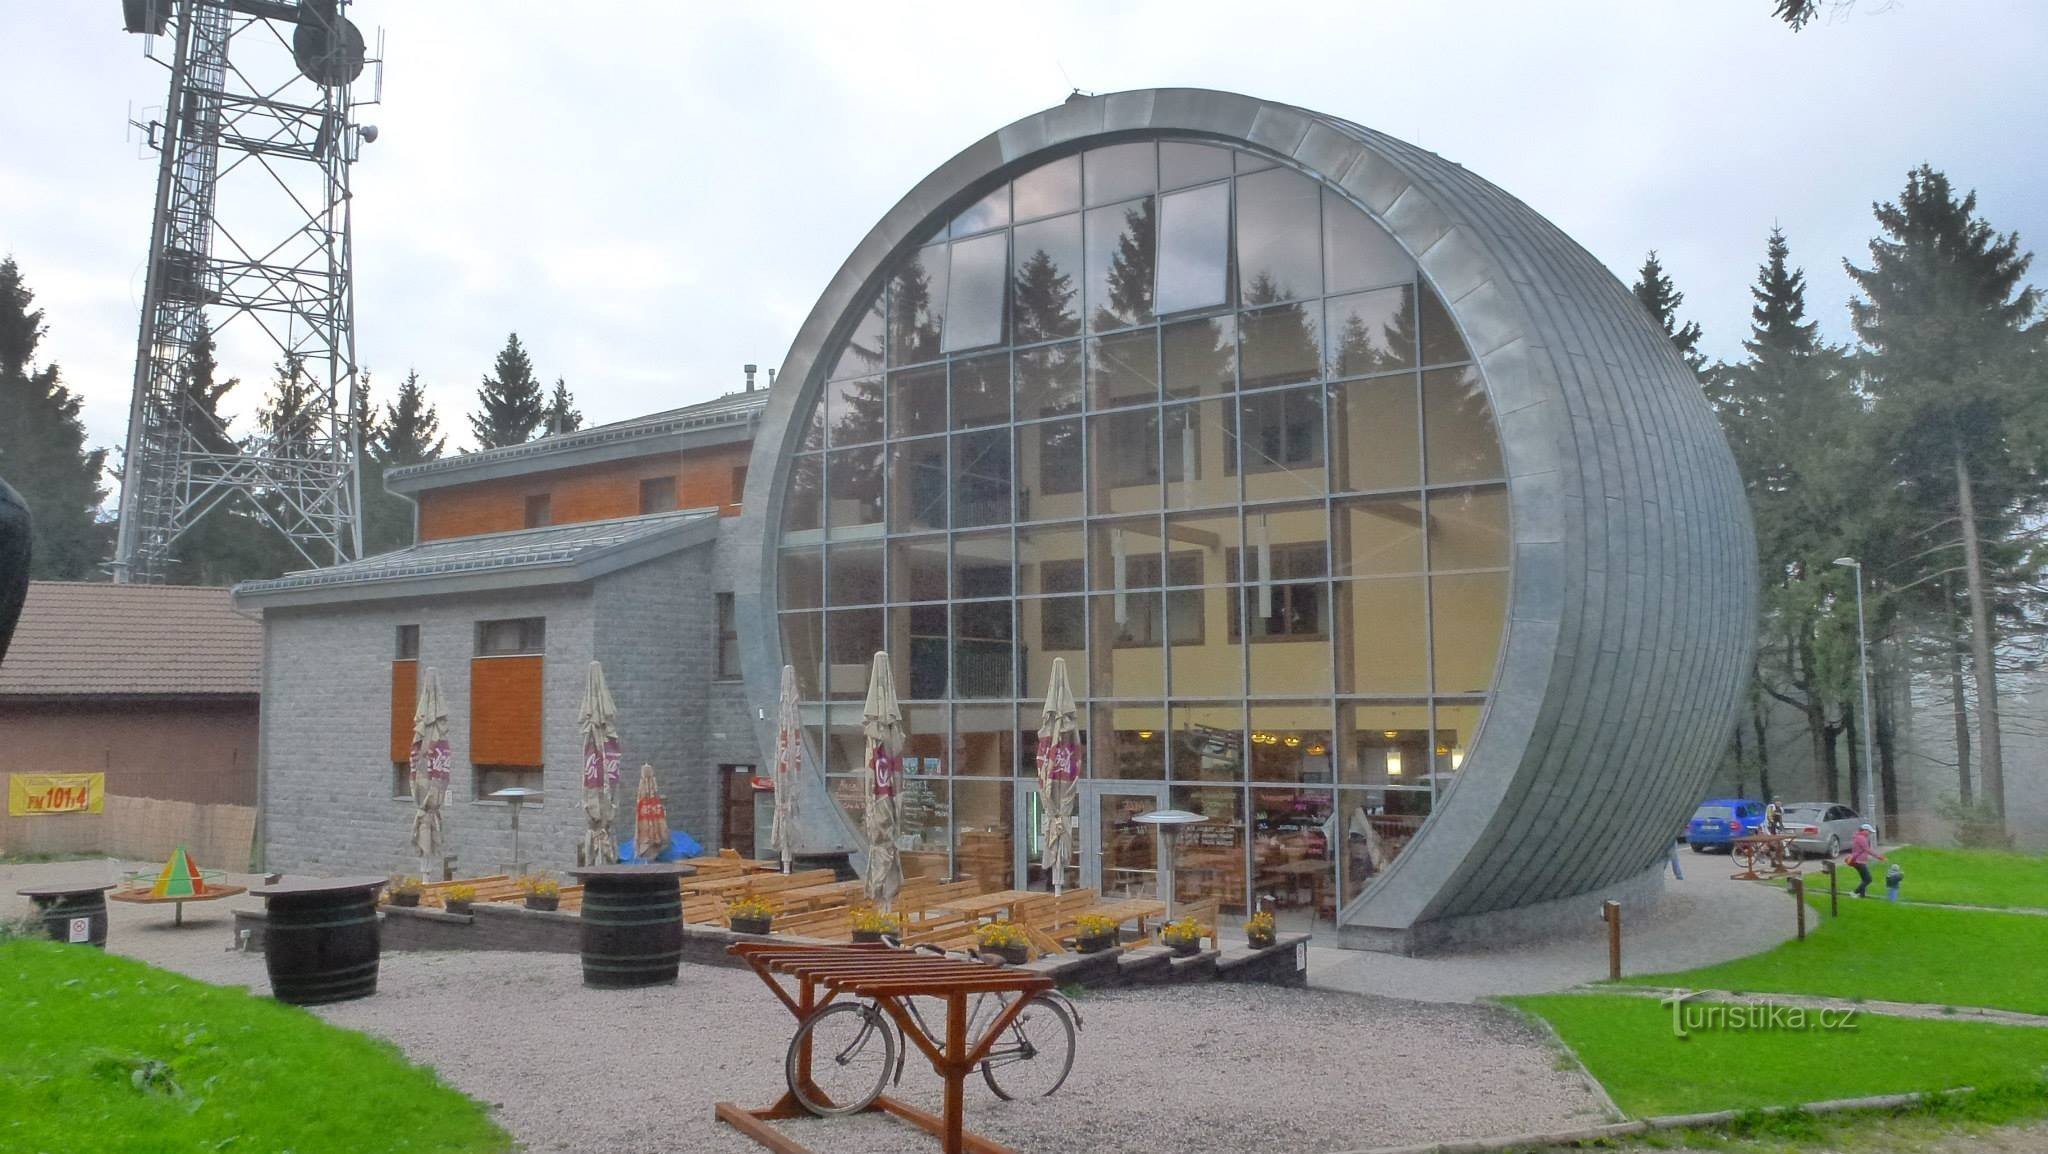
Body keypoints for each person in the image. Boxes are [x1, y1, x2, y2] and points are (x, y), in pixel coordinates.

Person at [1846, 822, 1885, 898]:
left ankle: (1862, 895)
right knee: (1868, 879)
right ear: (1864, 830)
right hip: (1859, 861)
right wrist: (1879, 857)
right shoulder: (1861, 838)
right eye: (1869, 832)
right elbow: (1867, 850)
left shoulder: (1858, 837)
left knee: (1864, 879)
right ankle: (1854, 893)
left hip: (1857, 861)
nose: (1869, 833)